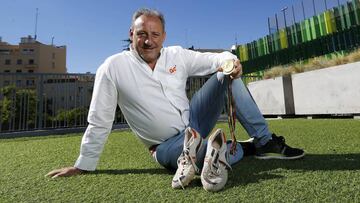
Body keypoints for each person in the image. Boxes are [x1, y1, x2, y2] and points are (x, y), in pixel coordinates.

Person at [46, 8, 304, 192]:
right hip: (165, 145)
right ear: (131, 34)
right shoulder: (112, 68)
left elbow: (217, 59)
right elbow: (99, 120)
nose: (148, 41)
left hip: (194, 121)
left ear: (164, 36)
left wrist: (231, 62)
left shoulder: (176, 55)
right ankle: (227, 150)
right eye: (142, 34)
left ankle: (263, 141)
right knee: (204, 153)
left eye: (155, 34)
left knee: (228, 72)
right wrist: (83, 165)